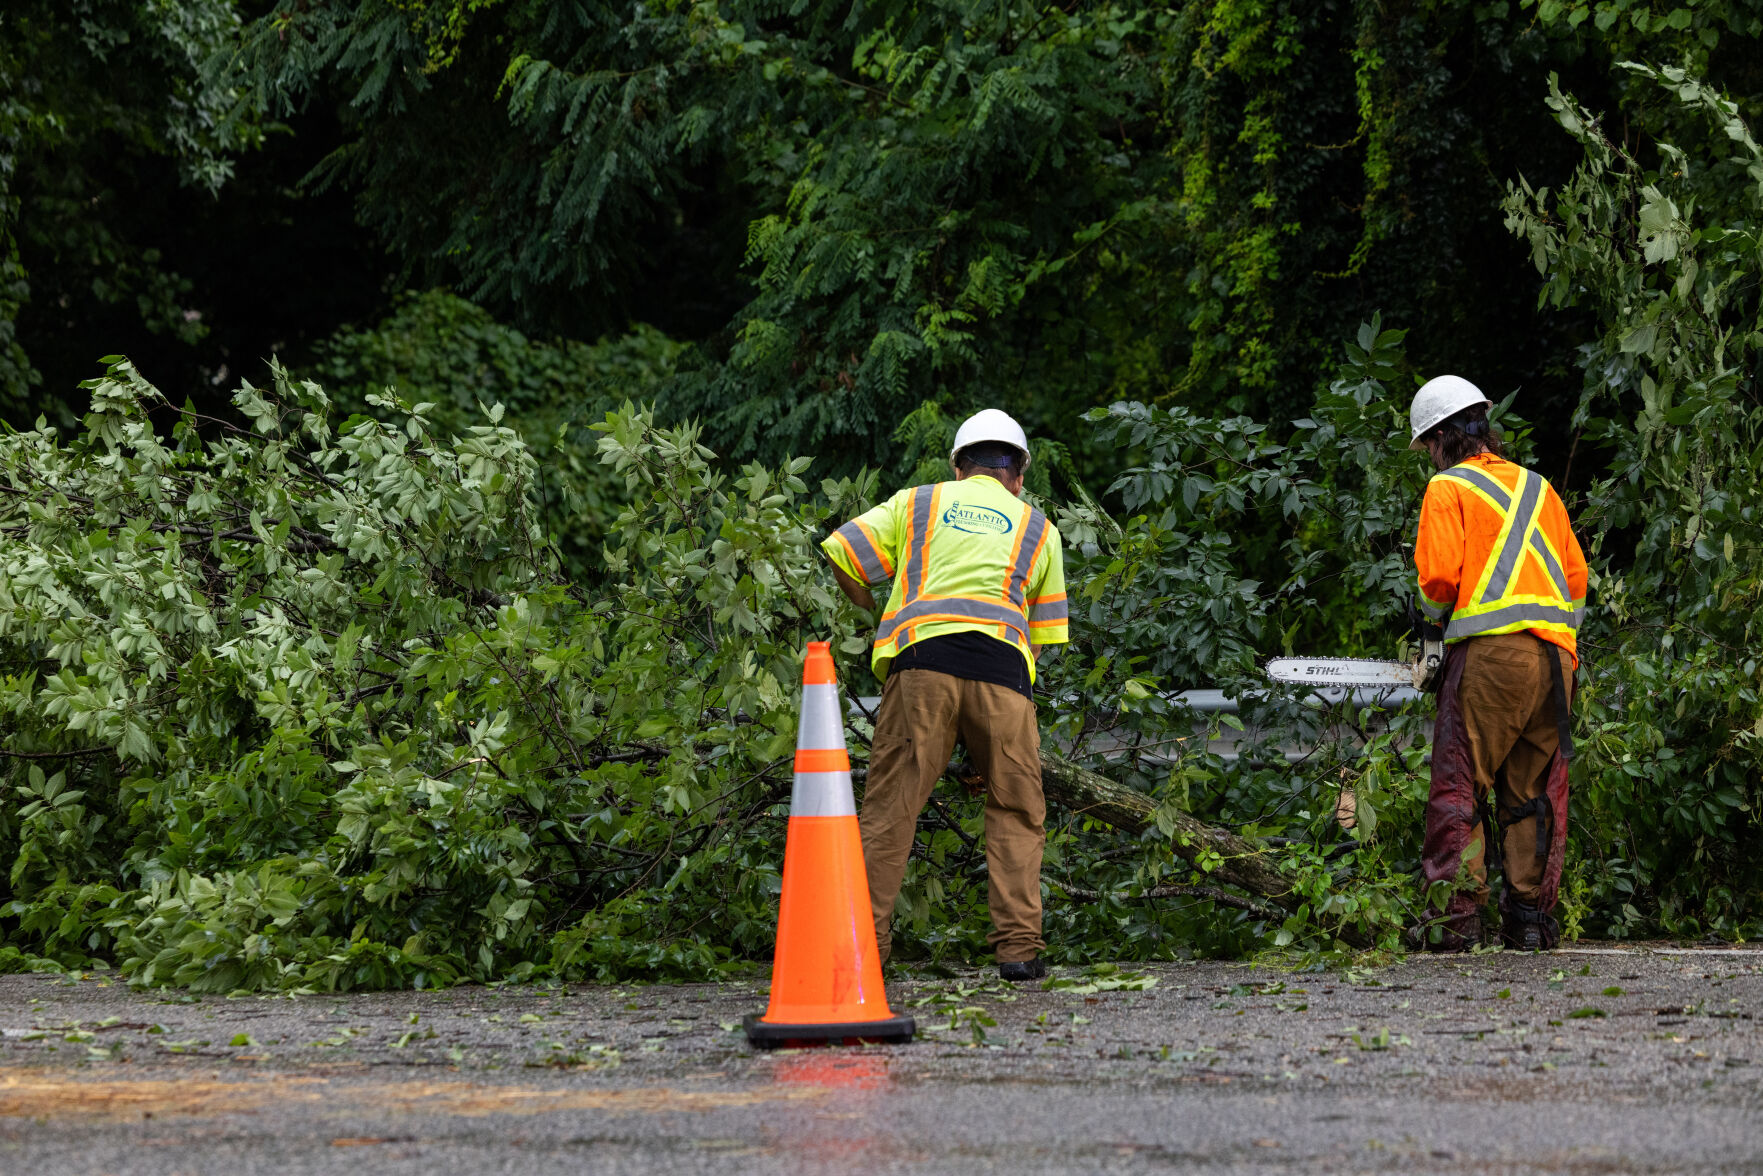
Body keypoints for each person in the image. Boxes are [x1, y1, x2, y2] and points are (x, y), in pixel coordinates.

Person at [821, 409, 1069, 981]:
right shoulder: (1039, 528)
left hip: (921, 669)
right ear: (1019, 475)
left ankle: (864, 955)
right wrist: (983, 741)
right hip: (1004, 677)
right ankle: (1019, 953)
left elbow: (842, 550)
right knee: (1016, 810)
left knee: (890, 811)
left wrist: (871, 606)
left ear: (958, 467)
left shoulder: (919, 502)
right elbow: (1046, 635)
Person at [1407, 375, 1588, 951]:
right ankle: (1529, 921)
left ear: (1439, 439)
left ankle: (1453, 923)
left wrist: (1430, 630)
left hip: (1491, 656)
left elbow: (1437, 583)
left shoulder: (1447, 489)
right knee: (1530, 793)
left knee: (1460, 785)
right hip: (1557, 660)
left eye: (1428, 447)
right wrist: (1555, 641)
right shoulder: (1539, 489)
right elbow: (1577, 581)